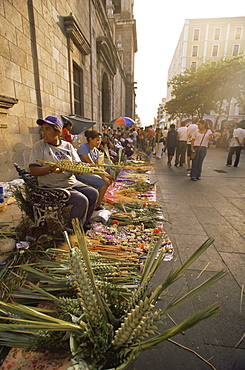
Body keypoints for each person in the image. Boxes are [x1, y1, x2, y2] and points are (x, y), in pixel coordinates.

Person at [29, 116, 98, 231]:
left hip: (71, 183)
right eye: (42, 129)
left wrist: (78, 168)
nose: (43, 133)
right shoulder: (39, 147)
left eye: (47, 129)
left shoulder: (68, 146)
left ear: (58, 131)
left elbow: (77, 164)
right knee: (81, 200)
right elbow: (33, 171)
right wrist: (50, 169)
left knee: (93, 193)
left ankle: (83, 223)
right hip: (51, 186)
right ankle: (72, 230)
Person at [77, 130, 113, 210]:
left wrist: (107, 175)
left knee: (108, 180)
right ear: (90, 139)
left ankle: (96, 202)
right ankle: (96, 206)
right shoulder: (83, 148)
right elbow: (92, 165)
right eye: (97, 140)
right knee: (104, 183)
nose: (99, 142)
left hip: (91, 172)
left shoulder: (96, 151)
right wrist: (104, 177)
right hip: (82, 173)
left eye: (99, 140)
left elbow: (98, 166)